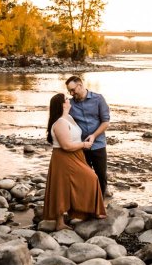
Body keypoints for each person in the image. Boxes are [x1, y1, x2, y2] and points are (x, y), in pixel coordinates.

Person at [42, 93, 106, 230]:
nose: (69, 100)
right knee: (70, 184)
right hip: (64, 158)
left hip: (76, 156)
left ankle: (83, 211)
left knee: (86, 180)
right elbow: (66, 146)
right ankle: (60, 223)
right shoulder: (60, 123)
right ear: (62, 105)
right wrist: (84, 145)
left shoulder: (69, 117)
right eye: (66, 99)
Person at [66, 75, 111, 197]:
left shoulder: (98, 99)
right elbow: (64, 121)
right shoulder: (69, 104)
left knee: (101, 174)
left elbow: (105, 121)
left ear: (80, 85)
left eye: (73, 90)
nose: (71, 93)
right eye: (69, 91)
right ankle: (87, 202)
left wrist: (94, 135)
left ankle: (100, 203)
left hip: (98, 144)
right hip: (80, 146)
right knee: (84, 175)